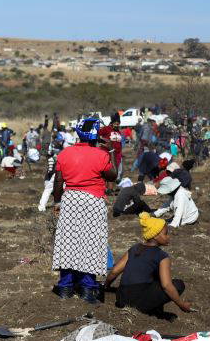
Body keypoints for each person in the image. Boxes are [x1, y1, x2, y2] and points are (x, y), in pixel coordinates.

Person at [51, 119, 116, 303]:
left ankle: (65, 287)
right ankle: (88, 289)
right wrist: (110, 150)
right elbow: (113, 175)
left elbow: (58, 181)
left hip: (70, 200)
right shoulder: (100, 155)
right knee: (92, 244)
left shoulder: (65, 153)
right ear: (96, 136)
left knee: (69, 243)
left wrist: (57, 202)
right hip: (93, 202)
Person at [103, 212, 193, 319]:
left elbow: (115, 271)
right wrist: (181, 305)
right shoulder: (162, 256)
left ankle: (156, 309)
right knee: (178, 284)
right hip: (138, 302)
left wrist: (106, 286)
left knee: (155, 277)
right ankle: (153, 310)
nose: (168, 237)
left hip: (121, 299)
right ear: (155, 235)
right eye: (165, 233)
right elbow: (166, 286)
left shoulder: (135, 248)